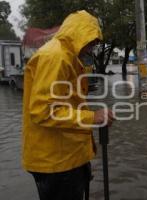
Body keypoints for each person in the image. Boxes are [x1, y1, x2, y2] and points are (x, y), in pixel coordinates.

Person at [22, 10, 114, 200]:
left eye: (96, 44)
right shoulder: (56, 56)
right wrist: (93, 117)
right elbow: (43, 111)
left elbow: (69, 102)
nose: (92, 48)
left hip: (67, 156)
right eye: (92, 42)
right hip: (56, 162)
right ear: (80, 35)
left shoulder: (70, 58)